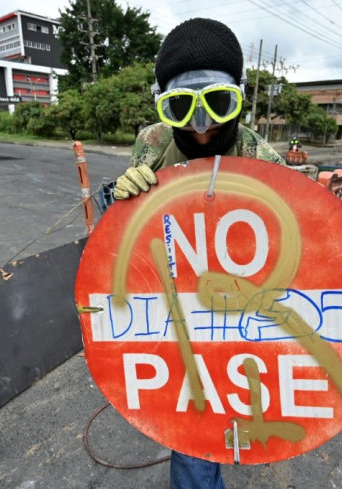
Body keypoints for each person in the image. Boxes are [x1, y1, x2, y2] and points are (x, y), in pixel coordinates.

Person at [112, 17, 284, 489]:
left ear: (238, 97)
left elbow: (303, 243)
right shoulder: (151, 143)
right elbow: (132, 236)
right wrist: (122, 198)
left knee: (238, 407)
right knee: (195, 425)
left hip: (246, 309)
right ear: (162, 102)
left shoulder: (264, 161)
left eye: (218, 104)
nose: (203, 129)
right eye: (182, 108)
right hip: (179, 310)